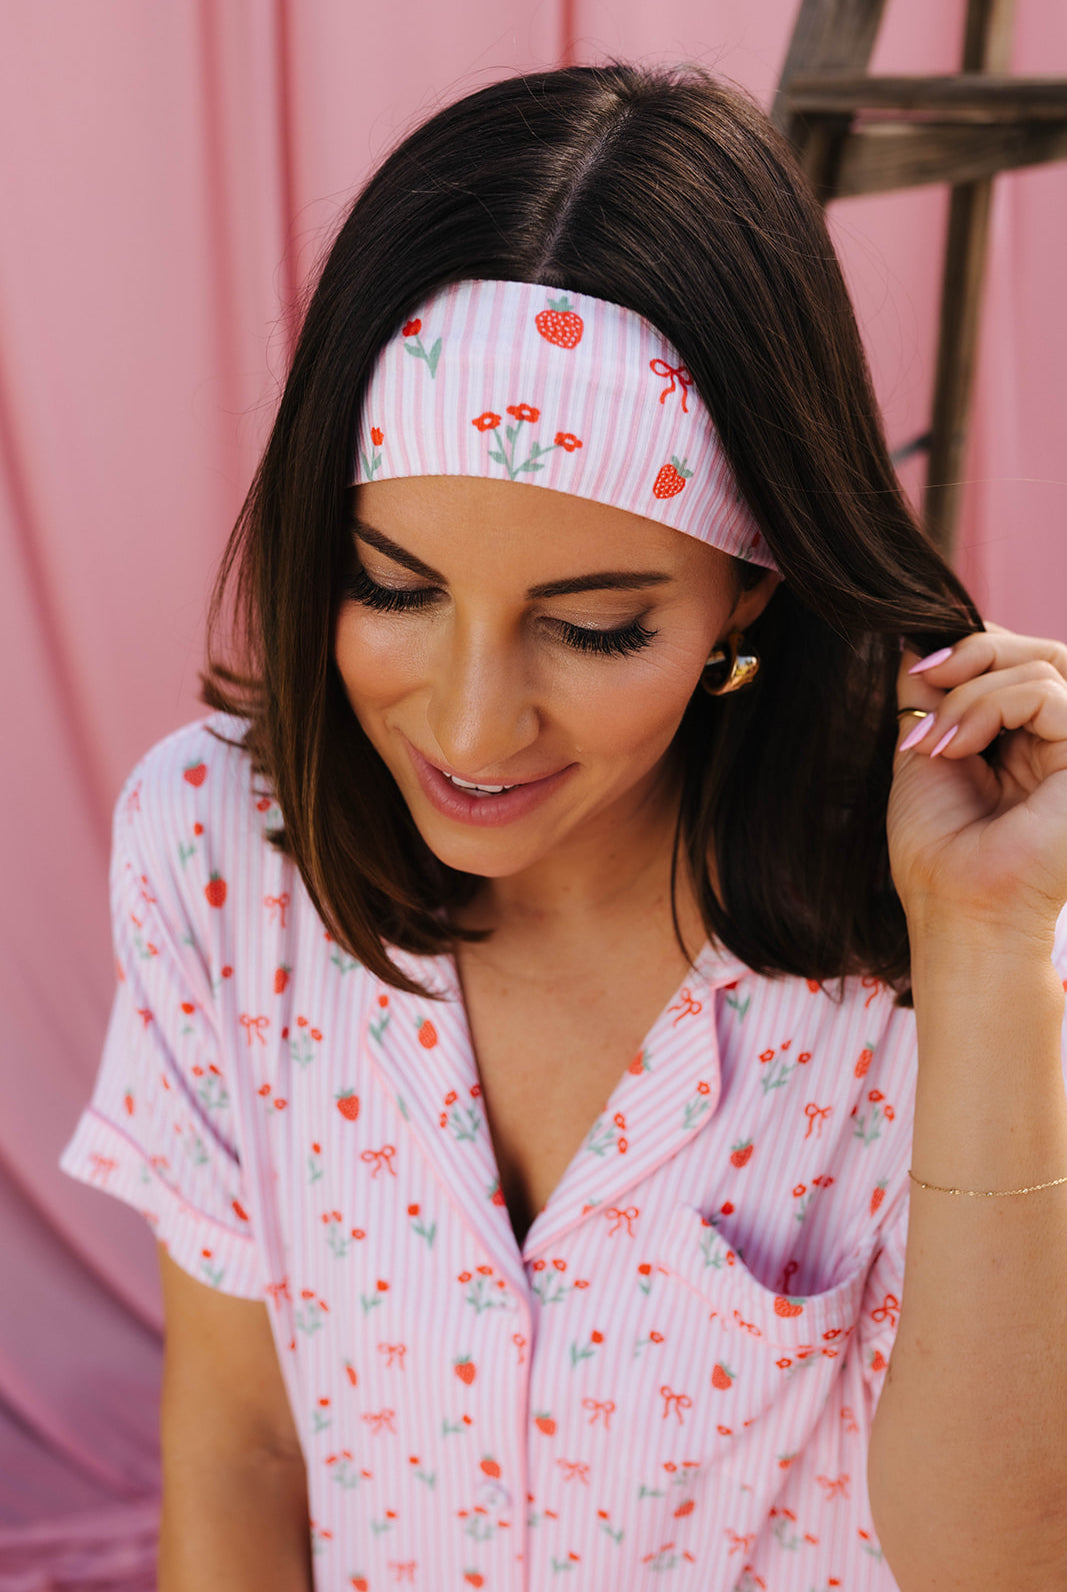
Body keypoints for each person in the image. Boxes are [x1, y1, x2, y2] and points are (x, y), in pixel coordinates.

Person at [59, 61, 1067, 1592]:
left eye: (595, 627)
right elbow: (241, 1447)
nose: (469, 731)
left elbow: (996, 1563)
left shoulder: (943, 938)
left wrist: (993, 954)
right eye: (391, 587)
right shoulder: (215, 855)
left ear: (755, 586)